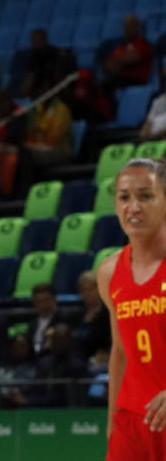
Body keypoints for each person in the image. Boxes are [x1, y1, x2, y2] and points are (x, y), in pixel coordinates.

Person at [98, 158, 166, 459]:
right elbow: (120, 352)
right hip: (131, 422)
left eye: (145, 196)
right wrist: (113, 422)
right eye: (124, 197)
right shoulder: (110, 271)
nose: (133, 207)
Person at [104, 14, 155, 90]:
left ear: (137, 27)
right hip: (119, 79)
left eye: (131, 26)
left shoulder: (143, 44)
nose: (128, 29)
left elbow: (133, 59)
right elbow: (109, 64)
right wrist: (121, 61)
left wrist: (118, 61)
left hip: (137, 81)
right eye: (126, 26)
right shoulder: (121, 46)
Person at [25, 283, 70, 359]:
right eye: (39, 301)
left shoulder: (63, 320)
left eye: (46, 300)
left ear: (54, 299)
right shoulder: (32, 324)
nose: (43, 305)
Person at [139, 67, 166, 140]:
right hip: (153, 140)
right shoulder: (158, 100)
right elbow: (148, 122)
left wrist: (154, 136)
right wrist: (144, 135)